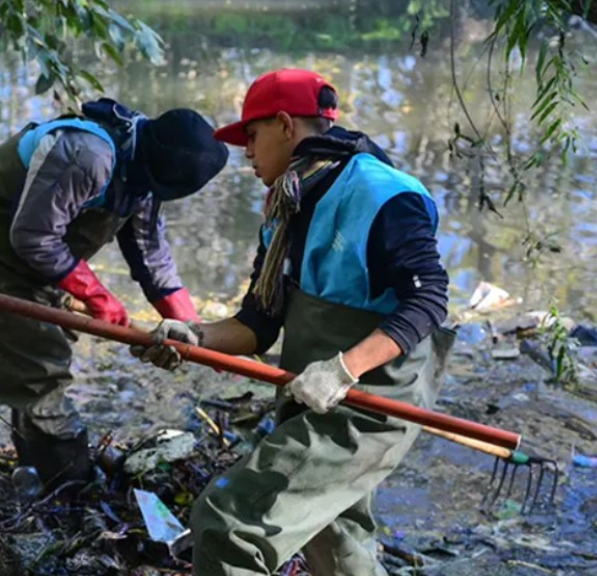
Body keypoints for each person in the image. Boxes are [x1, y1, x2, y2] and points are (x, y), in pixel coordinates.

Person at [132, 69, 454, 575]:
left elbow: (429, 299)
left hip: (371, 402)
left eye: (252, 136)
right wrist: (194, 336)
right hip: (314, 391)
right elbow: (258, 323)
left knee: (227, 524)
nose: (246, 153)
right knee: (336, 534)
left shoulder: (382, 194)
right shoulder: (287, 203)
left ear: (286, 125)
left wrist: (344, 370)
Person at [0, 98, 228, 490]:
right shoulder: (88, 156)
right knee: (38, 358)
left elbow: (152, 256)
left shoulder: (147, 177)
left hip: (46, 242)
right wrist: (99, 297)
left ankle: (32, 463)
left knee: (47, 338)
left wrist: (200, 334)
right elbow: (33, 236)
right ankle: (68, 480)